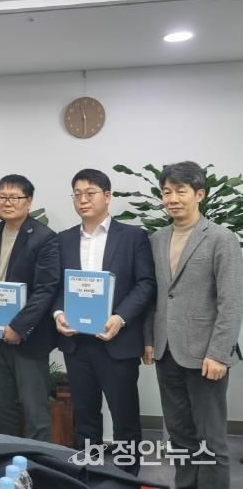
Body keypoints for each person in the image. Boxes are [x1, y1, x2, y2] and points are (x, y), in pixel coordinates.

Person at [143, 161, 243, 489]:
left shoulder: (221, 238)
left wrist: (219, 353)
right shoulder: (157, 239)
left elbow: (231, 301)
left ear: (199, 194)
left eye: (180, 191)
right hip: (166, 351)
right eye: (166, 192)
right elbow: (155, 296)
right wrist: (149, 340)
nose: (172, 199)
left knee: (211, 439)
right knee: (179, 435)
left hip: (205, 355)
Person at [54, 169, 155, 474]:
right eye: (77, 194)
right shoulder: (63, 239)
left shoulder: (133, 236)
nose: (82, 200)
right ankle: (90, 473)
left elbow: (146, 284)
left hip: (117, 341)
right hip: (76, 342)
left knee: (125, 418)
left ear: (107, 196)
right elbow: (55, 287)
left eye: (90, 193)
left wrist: (120, 317)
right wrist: (58, 313)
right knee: (85, 417)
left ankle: (126, 477)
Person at [0, 174, 60, 441]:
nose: (7, 202)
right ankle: (8, 459)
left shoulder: (44, 237)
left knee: (35, 411)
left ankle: (38, 462)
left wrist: (18, 327)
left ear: (29, 201)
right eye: (2, 197)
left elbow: (46, 289)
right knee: (4, 408)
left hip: (28, 337)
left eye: (14, 197)